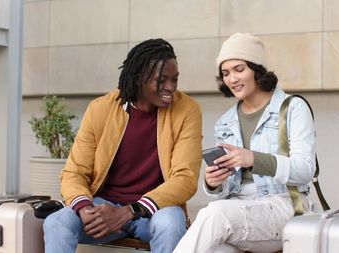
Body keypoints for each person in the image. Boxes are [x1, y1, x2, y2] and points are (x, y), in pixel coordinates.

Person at [43, 38, 203, 253]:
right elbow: (74, 172)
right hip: (104, 207)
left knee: (171, 224)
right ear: (139, 78)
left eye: (175, 79)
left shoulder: (187, 110)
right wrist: (84, 208)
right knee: (57, 222)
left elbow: (184, 179)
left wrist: (131, 211)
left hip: (154, 210)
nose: (171, 88)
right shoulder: (100, 109)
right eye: (162, 80)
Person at [173, 33, 315, 253]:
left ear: (257, 69)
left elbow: (305, 169)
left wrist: (254, 159)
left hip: (284, 205)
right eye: (226, 73)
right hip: (239, 209)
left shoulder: (292, 108)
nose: (232, 79)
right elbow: (228, 190)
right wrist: (214, 183)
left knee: (214, 213)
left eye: (240, 69)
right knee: (214, 247)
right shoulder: (225, 123)